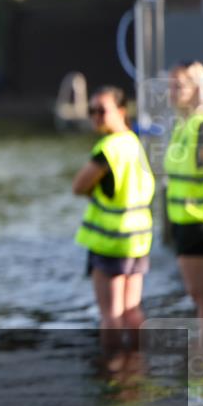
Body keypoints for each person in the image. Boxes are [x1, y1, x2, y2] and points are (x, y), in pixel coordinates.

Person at [72, 86, 154, 344]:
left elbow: (79, 186)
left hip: (111, 240)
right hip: (138, 238)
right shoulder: (133, 142)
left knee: (110, 314)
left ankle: (113, 374)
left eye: (102, 110)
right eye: (91, 110)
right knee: (132, 310)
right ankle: (141, 367)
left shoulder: (108, 148)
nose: (96, 116)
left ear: (120, 111)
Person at [164, 61, 203, 327]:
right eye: (171, 85)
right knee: (199, 298)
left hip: (200, 223)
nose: (172, 91)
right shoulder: (184, 125)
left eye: (178, 85)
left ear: (197, 88)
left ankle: (202, 362)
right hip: (185, 223)